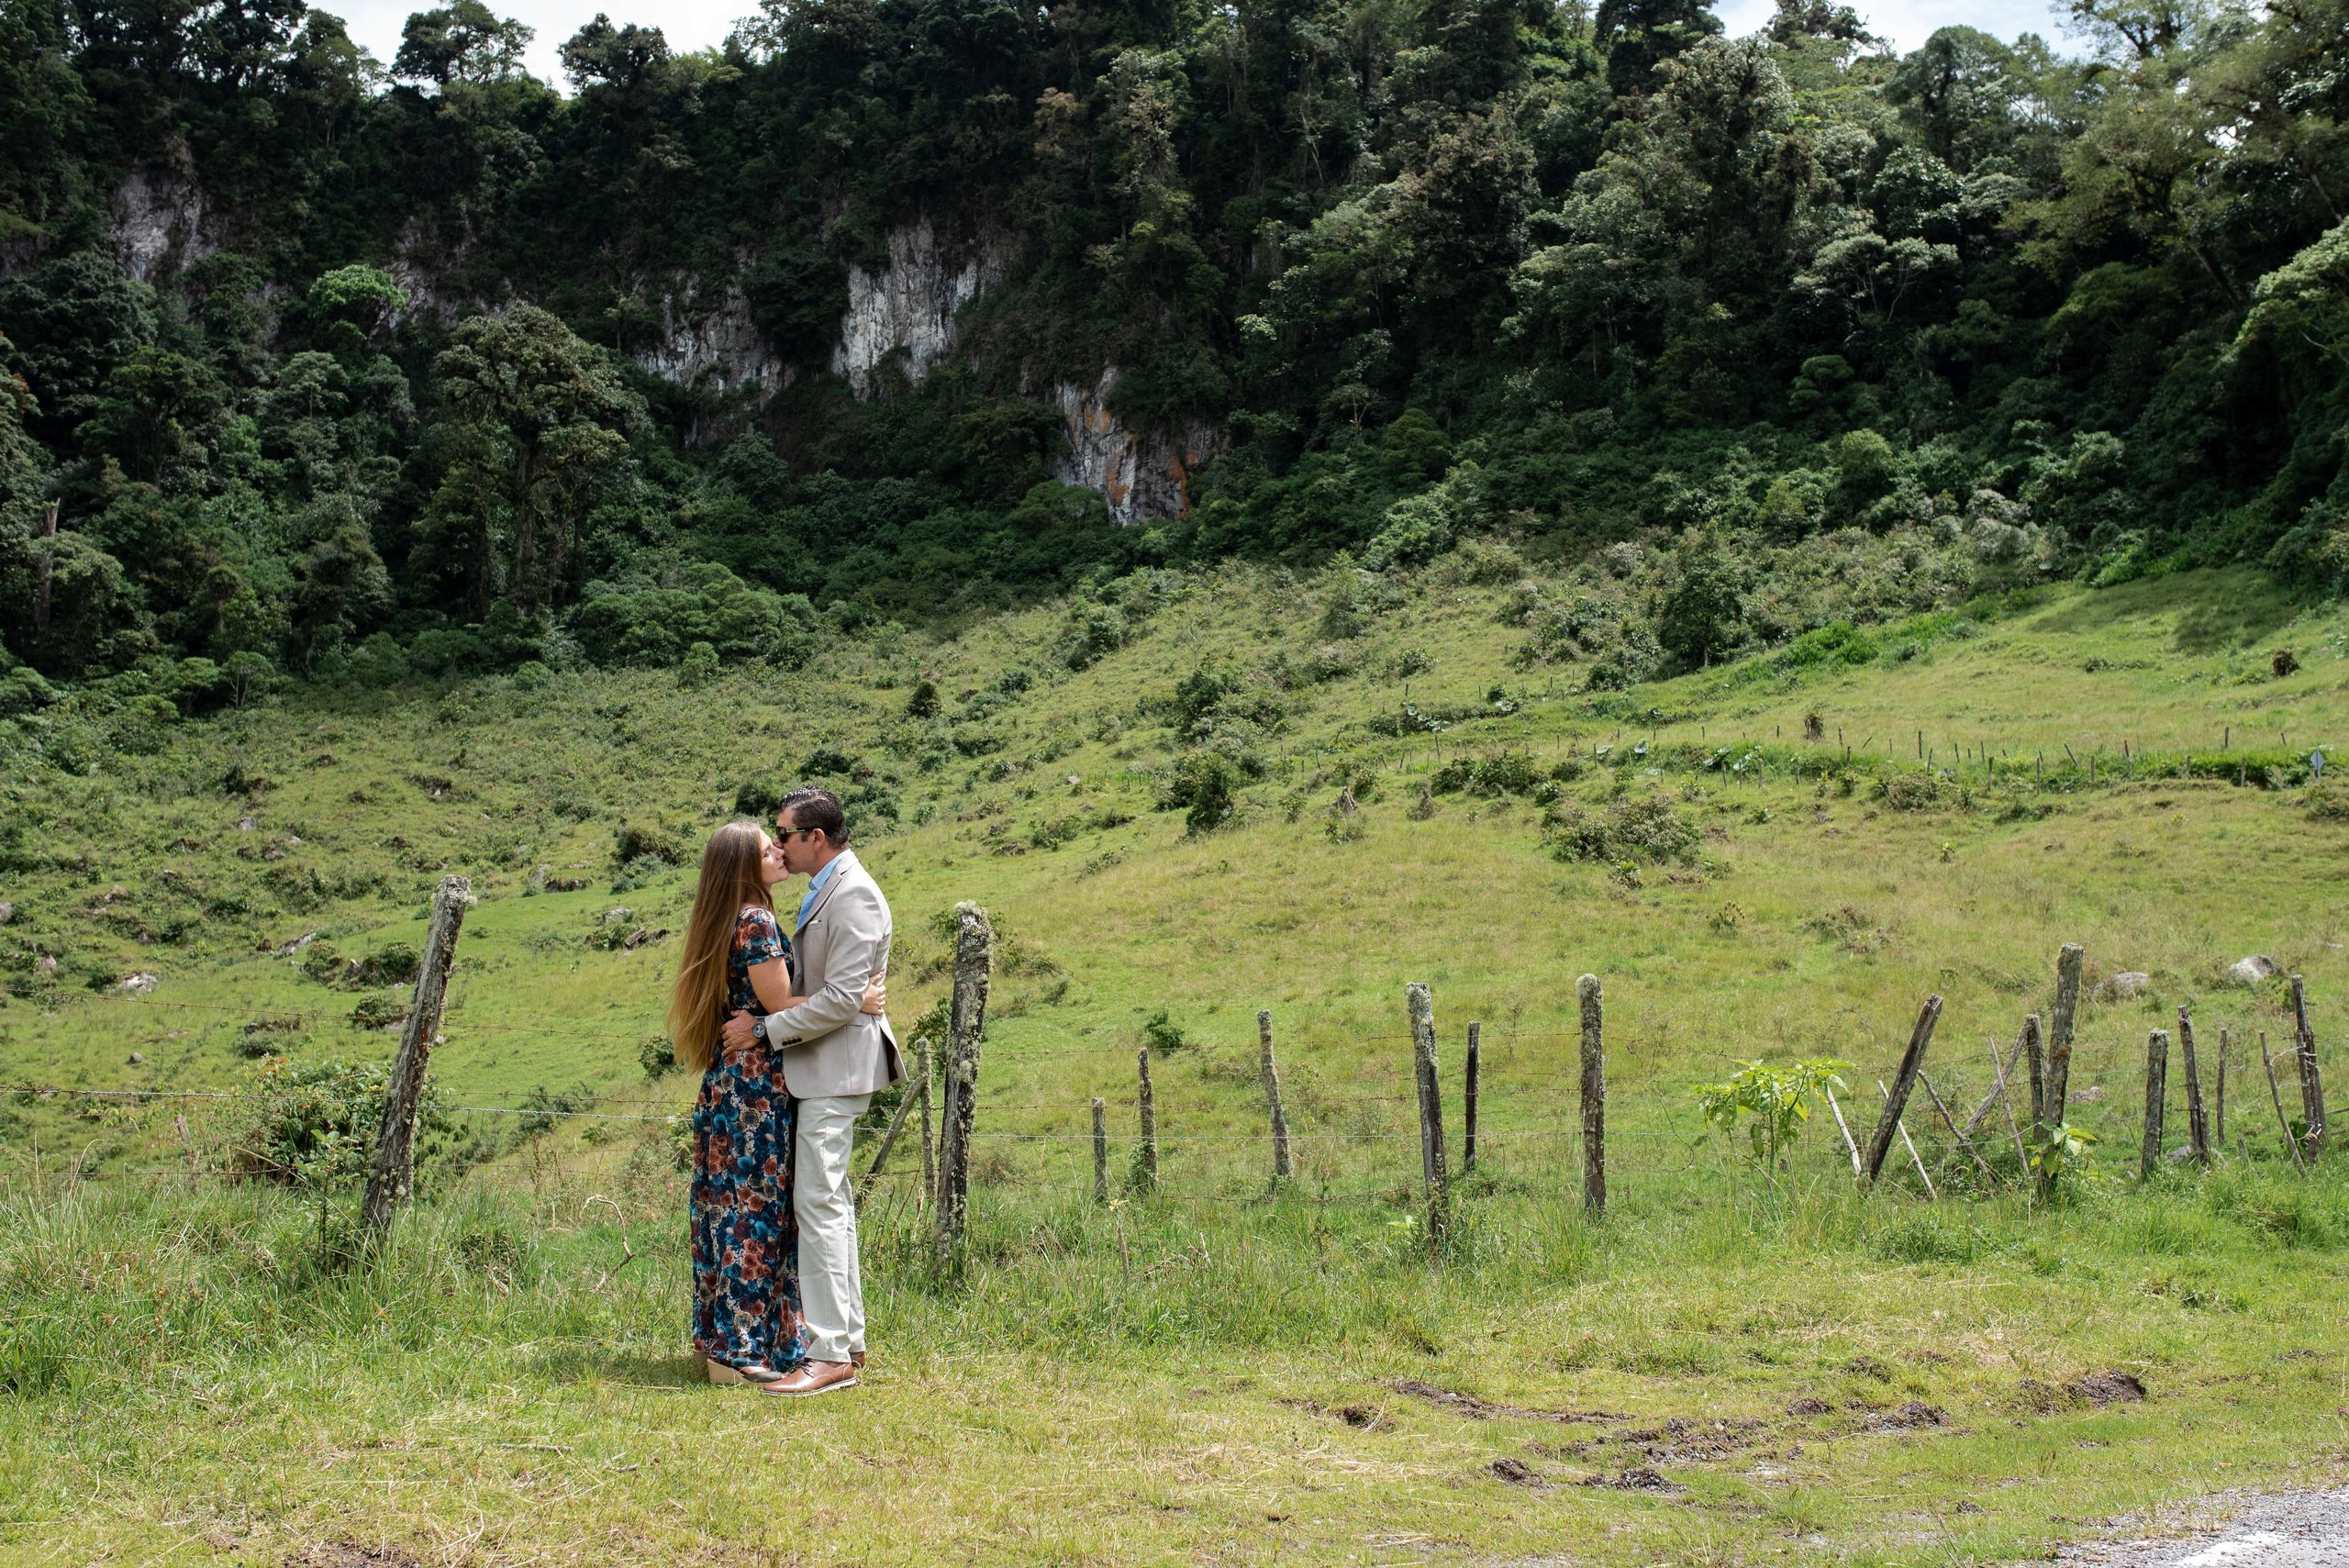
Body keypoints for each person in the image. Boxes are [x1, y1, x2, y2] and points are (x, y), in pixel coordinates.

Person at [666, 818, 885, 1387]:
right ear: (746, 864)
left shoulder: (724, 917)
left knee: (725, 1207)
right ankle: (746, 1349)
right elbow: (780, 1000)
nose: (779, 852)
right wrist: (854, 998)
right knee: (756, 1212)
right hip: (757, 1085)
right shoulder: (757, 919)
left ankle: (723, 1344)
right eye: (768, 847)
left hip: (728, 1079)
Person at [719, 786, 903, 1398]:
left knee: (818, 1202)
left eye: (786, 833)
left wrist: (765, 1028)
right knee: (832, 1202)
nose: (779, 843)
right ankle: (846, 1339)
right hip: (827, 1066)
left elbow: (841, 999)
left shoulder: (854, 896)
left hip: (836, 1068)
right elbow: (846, 995)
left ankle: (827, 1353)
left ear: (815, 838)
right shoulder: (829, 889)